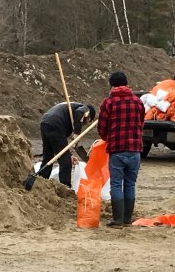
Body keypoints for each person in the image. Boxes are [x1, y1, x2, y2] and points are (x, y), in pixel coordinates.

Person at [98, 71, 145, 228]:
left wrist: (107, 138)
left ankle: (117, 220)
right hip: (135, 150)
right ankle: (127, 219)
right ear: (126, 84)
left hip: (117, 150)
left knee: (116, 184)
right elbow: (141, 123)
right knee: (130, 184)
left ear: (112, 85)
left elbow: (102, 128)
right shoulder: (138, 102)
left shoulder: (108, 103)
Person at [38, 102, 95, 187]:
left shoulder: (71, 112)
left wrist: (70, 155)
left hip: (46, 122)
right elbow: (79, 113)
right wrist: (77, 133)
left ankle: (41, 182)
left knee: (48, 157)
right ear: (89, 117)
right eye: (87, 122)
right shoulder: (85, 109)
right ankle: (65, 188)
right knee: (65, 162)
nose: (85, 124)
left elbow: (60, 144)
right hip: (56, 123)